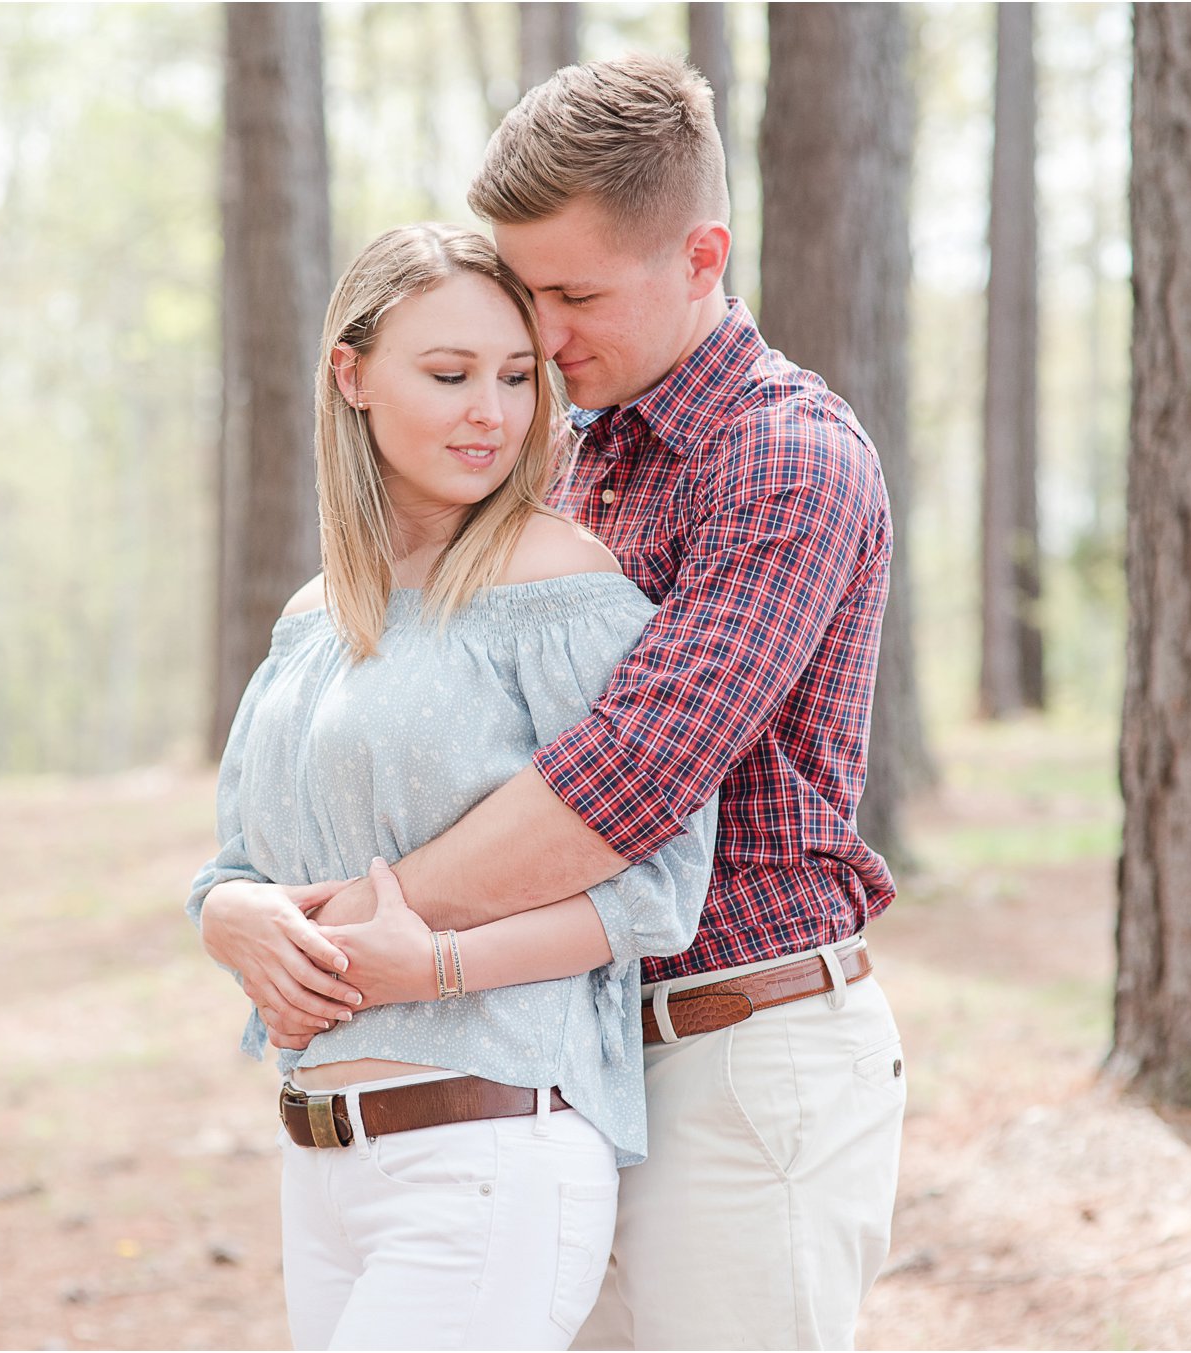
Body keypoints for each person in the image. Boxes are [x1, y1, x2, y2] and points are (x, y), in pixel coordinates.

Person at [210, 55, 907, 1351]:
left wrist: (362, 925)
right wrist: (246, 905)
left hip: (739, 1047)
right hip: (566, 1059)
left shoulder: (786, 458)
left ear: (703, 256)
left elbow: (621, 790)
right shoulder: (575, 461)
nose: (542, 334)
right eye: (526, 292)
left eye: (574, 294)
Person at [188, 222, 718, 1351]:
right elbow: (237, 867)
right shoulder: (310, 618)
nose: (491, 410)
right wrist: (230, 918)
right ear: (351, 375)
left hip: (485, 1156)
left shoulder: (557, 585)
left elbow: (657, 890)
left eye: (516, 378)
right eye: (448, 374)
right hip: (320, 1161)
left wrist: (434, 964)